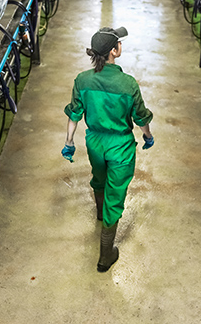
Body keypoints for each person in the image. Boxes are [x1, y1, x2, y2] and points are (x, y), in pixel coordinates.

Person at [61, 26, 154, 273]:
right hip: (120, 146)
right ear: (114, 51)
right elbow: (141, 117)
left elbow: (74, 114)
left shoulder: (82, 80)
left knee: (99, 178)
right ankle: (105, 255)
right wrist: (148, 136)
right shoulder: (128, 84)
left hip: (95, 143)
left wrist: (69, 142)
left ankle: (100, 215)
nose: (120, 46)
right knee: (116, 195)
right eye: (119, 43)